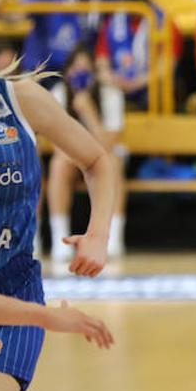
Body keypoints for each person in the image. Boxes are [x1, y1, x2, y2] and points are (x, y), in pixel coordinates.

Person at [0, 59, 120, 391]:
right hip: (23, 309)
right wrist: (51, 318)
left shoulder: (20, 101)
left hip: (12, 297)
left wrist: (98, 233)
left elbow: (97, 161)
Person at [93, 0, 183, 258]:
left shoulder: (163, 21)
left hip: (148, 92)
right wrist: (111, 77)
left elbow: (168, 64)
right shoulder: (111, 22)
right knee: (106, 93)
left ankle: (112, 142)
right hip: (116, 92)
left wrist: (138, 82)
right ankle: (112, 141)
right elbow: (101, 61)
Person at [47, 47, 123, 270]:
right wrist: (77, 157)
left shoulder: (110, 93)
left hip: (103, 155)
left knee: (113, 164)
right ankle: (59, 239)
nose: (80, 73)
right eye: (76, 68)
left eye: (85, 68)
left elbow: (108, 145)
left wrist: (88, 111)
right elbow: (56, 143)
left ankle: (112, 238)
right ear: (68, 71)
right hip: (70, 156)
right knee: (58, 165)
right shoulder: (59, 92)